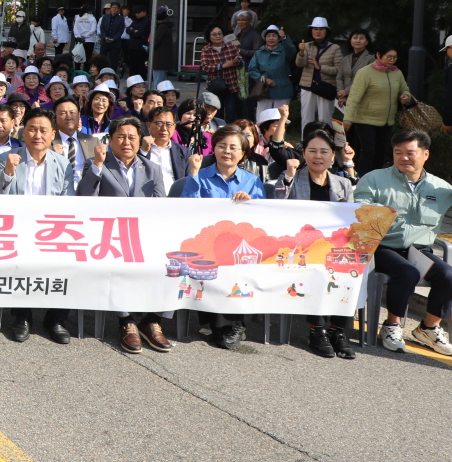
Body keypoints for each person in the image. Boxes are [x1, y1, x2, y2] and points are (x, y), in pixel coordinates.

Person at [78, 116, 174, 353]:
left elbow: (161, 206)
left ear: (140, 141)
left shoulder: (151, 168)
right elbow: (84, 200)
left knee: (174, 264)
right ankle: (126, 320)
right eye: (120, 136)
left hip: (144, 235)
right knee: (115, 263)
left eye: (132, 137)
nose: (127, 142)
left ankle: (152, 320)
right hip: (108, 236)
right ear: (109, 140)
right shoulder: (97, 163)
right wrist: (98, 165)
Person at [354, 129, 452, 355]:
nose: (403, 158)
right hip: (382, 247)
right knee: (407, 272)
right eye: (398, 152)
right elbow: (359, 209)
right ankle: (392, 325)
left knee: (448, 275)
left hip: (419, 251)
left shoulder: (441, 189)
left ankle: (428, 328)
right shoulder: (374, 179)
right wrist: (380, 212)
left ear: (425, 154)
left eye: (410, 153)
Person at [267, 129, 356, 359]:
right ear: (303, 154)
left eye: (324, 151)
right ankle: (317, 330)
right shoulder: (293, 178)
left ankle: (337, 330)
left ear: (332, 155)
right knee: (319, 266)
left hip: (334, 246)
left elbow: (350, 220)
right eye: (312, 151)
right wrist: (288, 175)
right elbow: (277, 204)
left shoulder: (343, 184)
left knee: (351, 267)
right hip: (301, 246)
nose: (318, 156)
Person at [0, 108, 75, 344]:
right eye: (32, 129)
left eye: (43, 130)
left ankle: (55, 319)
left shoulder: (62, 163)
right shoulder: (7, 157)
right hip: (17, 229)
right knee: (19, 261)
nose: (37, 135)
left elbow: (68, 200)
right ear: (22, 131)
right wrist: (8, 172)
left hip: (51, 229)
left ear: (53, 134)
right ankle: (22, 317)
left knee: (69, 262)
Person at [178, 124, 266, 350]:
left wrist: (249, 203)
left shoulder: (252, 181)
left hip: (240, 244)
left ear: (243, 153)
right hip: (206, 242)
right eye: (221, 146)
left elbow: (262, 218)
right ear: (214, 149)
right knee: (211, 259)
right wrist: (194, 173)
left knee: (236, 261)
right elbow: (188, 207)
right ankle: (229, 326)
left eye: (233, 147)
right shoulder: (202, 175)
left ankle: (232, 324)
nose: (227, 151)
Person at [342, 41, 412, 175]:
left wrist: (405, 96)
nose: (392, 60)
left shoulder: (396, 73)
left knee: (381, 152)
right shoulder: (365, 72)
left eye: (394, 57)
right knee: (368, 151)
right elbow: (354, 97)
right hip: (365, 120)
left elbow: (404, 89)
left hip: (387, 121)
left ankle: (377, 179)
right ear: (378, 55)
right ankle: (362, 178)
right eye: (389, 57)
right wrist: (348, 118)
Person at [296, 17, 342, 136]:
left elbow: (338, 70)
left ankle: (326, 142)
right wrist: (301, 52)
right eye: (315, 29)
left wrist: (319, 67)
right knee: (306, 117)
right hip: (307, 86)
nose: (318, 31)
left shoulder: (335, 48)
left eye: (321, 29)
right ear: (311, 31)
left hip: (325, 87)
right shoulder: (306, 46)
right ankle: (305, 142)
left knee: (325, 119)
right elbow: (299, 64)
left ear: (327, 31)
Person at [246, 24, 294, 117]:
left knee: (280, 117)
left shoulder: (284, 51)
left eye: (274, 35)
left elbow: (292, 51)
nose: (271, 38)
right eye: (268, 36)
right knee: (262, 117)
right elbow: (252, 69)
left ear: (279, 38)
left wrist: (285, 38)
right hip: (263, 90)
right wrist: (264, 79)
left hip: (282, 89)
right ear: (265, 38)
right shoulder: (259, 53)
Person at [142, 106, 192, 193]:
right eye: (159, 123)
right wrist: (143, 151)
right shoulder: (139, 148)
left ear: (174, 126)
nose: (164, 129)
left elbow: (187, 181)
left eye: (169, 124)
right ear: (149, 126)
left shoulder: (183, 152)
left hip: (174, 197)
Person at [199, 23, 241, 124]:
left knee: (231, 111)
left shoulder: (231, 46)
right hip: (215, 86)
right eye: (214, 34)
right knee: (217, 110)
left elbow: (239, 56)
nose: (218, 36)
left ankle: (230, 130)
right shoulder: (206, 49)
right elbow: (205, 66)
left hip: (232, 84)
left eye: (220, 33)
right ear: (209, 36)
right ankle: (217, 129)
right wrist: (222, 66)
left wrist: (237, 60)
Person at [336, 29, 375, 109]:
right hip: (344, 98)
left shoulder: (371, 59)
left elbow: (365, 79)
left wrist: (346, 91)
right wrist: (341, 94)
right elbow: (339, 77)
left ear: (367, 42)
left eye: (361, 38)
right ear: (350, 41)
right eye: (355, 38)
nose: (358, 40)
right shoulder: (345, 59)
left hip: (362, 97)